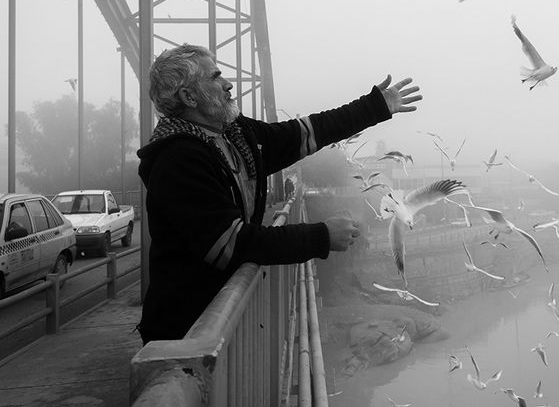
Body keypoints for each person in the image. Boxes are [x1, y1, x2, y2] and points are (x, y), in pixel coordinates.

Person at [136, 44, 421, 343]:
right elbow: (230, 245)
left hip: (226, 321)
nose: (228, 84)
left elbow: (303, 133)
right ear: (189, 97)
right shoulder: (177, 159)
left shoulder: (233, 134)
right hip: (185, 333)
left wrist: (374, 107)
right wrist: (321, 236)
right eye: (215, 77)